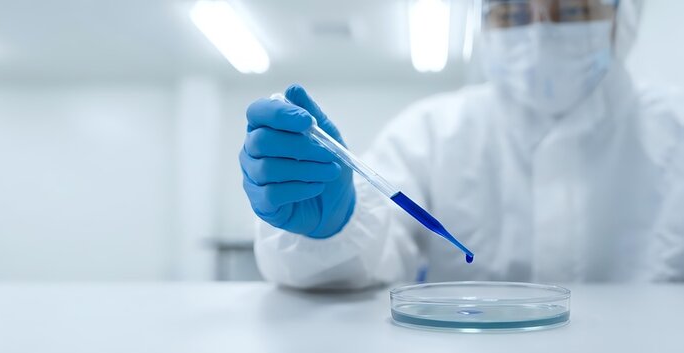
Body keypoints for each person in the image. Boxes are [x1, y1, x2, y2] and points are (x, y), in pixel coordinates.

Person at [239, 0, 684, 289]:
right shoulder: (431, 132)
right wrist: (333, 229)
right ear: (486, 26)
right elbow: (377, 247)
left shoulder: (675, 129)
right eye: (512, 14)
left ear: (623, 17)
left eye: (571, 10)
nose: (538, 33)